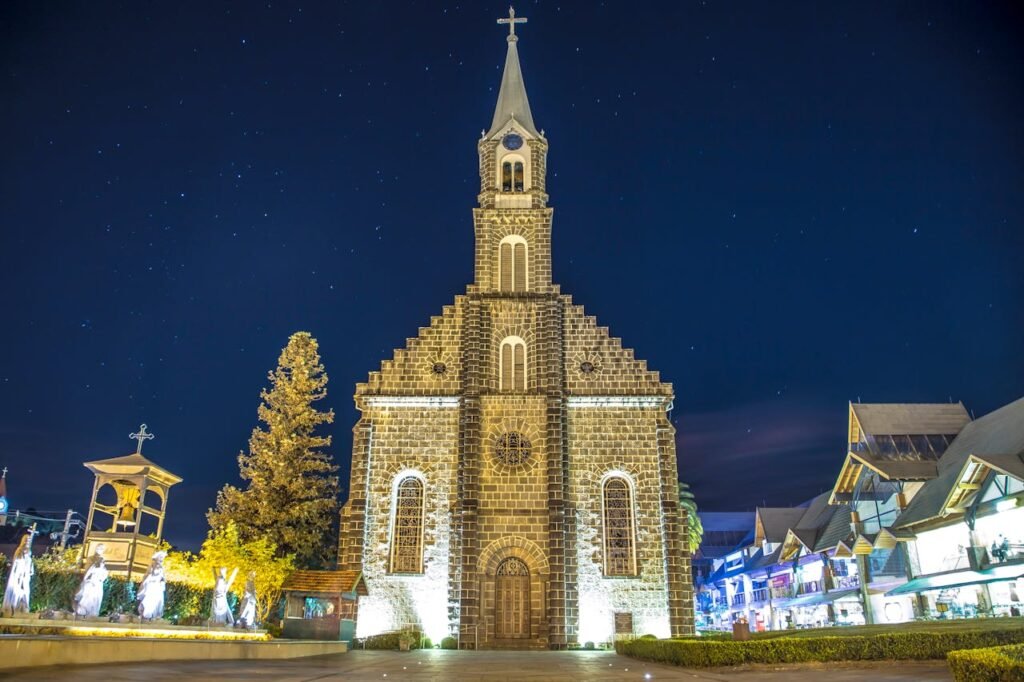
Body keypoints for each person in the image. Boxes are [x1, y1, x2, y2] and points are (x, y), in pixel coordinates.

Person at [2, 528, 35, 617]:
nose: (28, 542)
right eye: (27, 540)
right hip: (18, 575)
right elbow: (16, 562)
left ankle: (24, 609)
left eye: (29, 540)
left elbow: (29, 562)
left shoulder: (29, 552)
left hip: (25, 575)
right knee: (16, 591)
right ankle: (13, 608)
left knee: (25, 592)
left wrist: (30, 568)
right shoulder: (19, 550)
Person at [74, 544, 108, 618]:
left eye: (102, 549)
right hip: (90, 581)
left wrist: (102, 570)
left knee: (96, 598)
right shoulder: (90, 558)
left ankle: (93, 613)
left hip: (98, 582)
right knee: (87, 597)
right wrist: (95, 566)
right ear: (96, 548)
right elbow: (88, 570)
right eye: (99, 548)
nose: (100, 550)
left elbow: (104, 572)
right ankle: (83, 611)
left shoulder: (103, 559)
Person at [137, 551, 167, 620]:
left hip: (158, 586)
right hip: (152, 585)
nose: (162, 559)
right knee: (149, 600)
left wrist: (162, 581)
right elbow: (148, 575)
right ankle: (146, 615)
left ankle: (156, 615)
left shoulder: (162, 567)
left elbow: (163, 577)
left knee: (158, 601)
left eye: (162, 558)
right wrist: (151, 578)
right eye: (160, 557)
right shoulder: (152, 565)